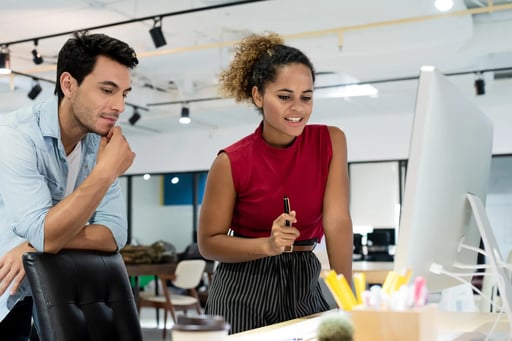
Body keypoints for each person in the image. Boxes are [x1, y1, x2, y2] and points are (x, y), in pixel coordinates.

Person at [197, 32, 353, 334]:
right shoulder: (230, 161)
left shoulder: (330, 141)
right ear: (258, 96)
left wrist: (348, 299)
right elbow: (208, 242)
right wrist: (267, 245)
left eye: (306, 97)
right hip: (241, 288)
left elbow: (337, 220)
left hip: (304, 279)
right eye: (284, 97)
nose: (298, 107)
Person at [0, 31, 138, 340]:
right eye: (107, 90)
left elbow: (113, 234)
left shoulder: (98, 144)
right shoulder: (15, 136)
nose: (119, 106)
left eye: (124, 94)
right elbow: (47, 233)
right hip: (7, 294)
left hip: (57, 291)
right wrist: (105, 173)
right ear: (68, 84)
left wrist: (34, 243)